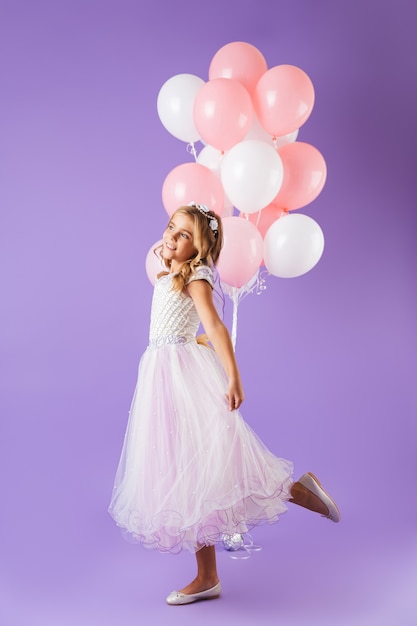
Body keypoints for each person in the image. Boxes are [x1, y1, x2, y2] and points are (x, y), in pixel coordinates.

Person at [108, 203, 340, 606]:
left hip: (182, 380)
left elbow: (214, 327)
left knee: (210, 468)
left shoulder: (195, 277)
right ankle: (208, 576)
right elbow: (160, 265)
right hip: (162, 377)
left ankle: (301, 492)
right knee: (188, 476)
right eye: (170, 229)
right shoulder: (170, 269)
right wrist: (172, 245)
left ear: (200, 249)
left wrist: (234, 377)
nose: (171, 238)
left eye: (184, 236)